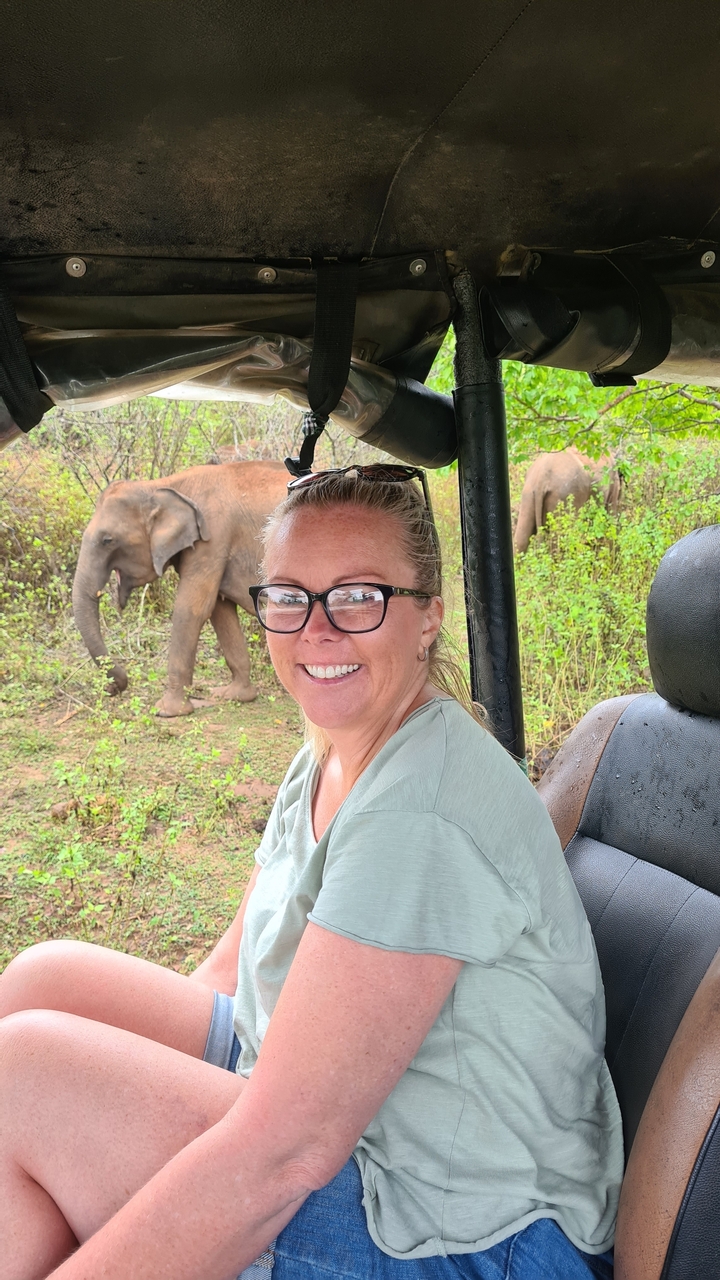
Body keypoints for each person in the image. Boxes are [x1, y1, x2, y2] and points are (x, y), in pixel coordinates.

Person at [0, 464, 623, 1280]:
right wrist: (127, 1106)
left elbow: (284, 1154)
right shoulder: (332, 752)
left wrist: (99, 1121)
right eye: (288, 595)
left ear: (428, 617)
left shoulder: (422, 808)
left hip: (467, 1230)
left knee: (23, 1081)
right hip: (357, 1127)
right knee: (48, 981)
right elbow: (232, 973)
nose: (315, 630)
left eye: (359, 596)